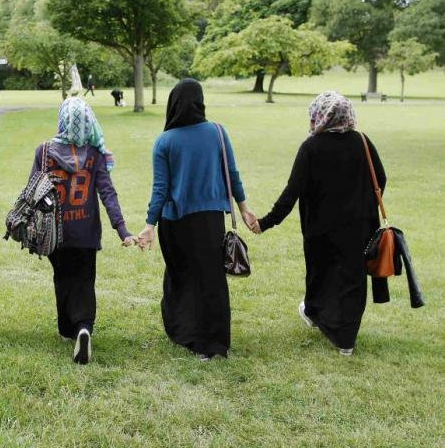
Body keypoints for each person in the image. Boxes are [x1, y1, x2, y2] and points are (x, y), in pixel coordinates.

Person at [250, 91, 386, 356]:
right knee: (352, 279)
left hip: (321, 228)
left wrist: (265, 223)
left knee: (321, 273)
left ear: (319, 115)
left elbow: (292, 192)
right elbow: (380, 180)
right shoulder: (362, 141)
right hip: (359, 226)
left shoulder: (312, 147)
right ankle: (344, 335)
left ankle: (320, 317)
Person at [136, 78, 257, 361]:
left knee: (182, 277)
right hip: (210, 220)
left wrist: (149, 225)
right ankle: (216, 343)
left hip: (175, 223)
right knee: (212, 279)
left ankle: (187, 333)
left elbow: (160, 190)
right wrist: (244, 208)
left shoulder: (164, 141)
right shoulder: (217, 132)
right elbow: (233, 174)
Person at [31, 97, 136, 364]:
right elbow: (107, 193)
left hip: (55, 232)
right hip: (86, 232)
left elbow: (33, 189)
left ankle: (68, 328)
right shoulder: (95, 154)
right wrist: (122, 230)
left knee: (62, 276)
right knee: (84, 280)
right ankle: (84, 327)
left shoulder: (44, 151)